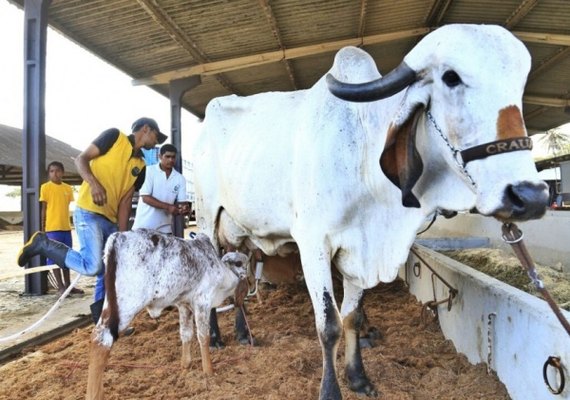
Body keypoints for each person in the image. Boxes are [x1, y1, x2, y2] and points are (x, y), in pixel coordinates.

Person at [17, 117, 167, 329]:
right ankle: (43, 244)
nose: (156, 141)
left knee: (109, 272)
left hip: (110, 220)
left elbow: (125, 201)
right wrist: (94, 184)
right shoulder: (114, 137)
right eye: (156, 136)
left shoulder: (141, 166)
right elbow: (81, 159)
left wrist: (121, 237)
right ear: (145, 129)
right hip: (88, 211)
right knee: (94, 265)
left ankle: (102, 321)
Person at [40, 161, 83, 295]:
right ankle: (60, 287)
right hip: (52, 228)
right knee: (53, 258)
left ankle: (69, 286)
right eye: (52, 171)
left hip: (66, 228)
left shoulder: (67, 188)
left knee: (67, 257)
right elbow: (44, 208)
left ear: (62, 172)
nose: (55, 174)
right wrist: (43, 227)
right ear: (49, 173)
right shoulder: (45, 187)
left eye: (57, 171)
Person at [132, 144, 190, 233]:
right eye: (167, 156)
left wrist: (184, 209)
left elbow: (181, 203)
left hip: (165, 229)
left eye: (173, 157)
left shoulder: (180, 178)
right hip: (144, 227)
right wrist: (168, 207)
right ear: (160, 156)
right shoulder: (148, 171)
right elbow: (145, 198)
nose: (171, 160)